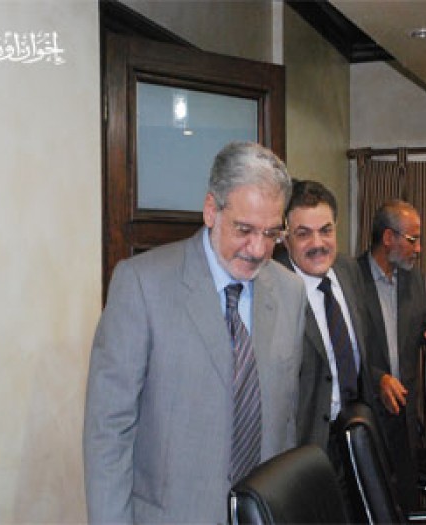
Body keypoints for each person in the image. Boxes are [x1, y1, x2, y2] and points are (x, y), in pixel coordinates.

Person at [83, 142, 307, 524]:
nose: (258, 249)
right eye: (244, 230)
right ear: (211, 210)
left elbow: (285, 425)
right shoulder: (142, 285)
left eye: (272, 233)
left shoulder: (290, 292)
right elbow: (109, 432)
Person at [356, 198, 426, 511]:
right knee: (370, 505)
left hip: (404, 413)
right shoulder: (350, 278)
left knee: (405, 501)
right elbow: (340, 347)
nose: (419, 249)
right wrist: (377, 378)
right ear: (388, 237)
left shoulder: (413, 278)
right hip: (366, 412)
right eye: (413, 240)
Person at [275, 180, 374, 470]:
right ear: (285, 238)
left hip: (354, 437)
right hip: (303, 448)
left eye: (326, 230)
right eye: (303, 234)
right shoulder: (272, 289)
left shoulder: (348, 269)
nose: (317, 244)